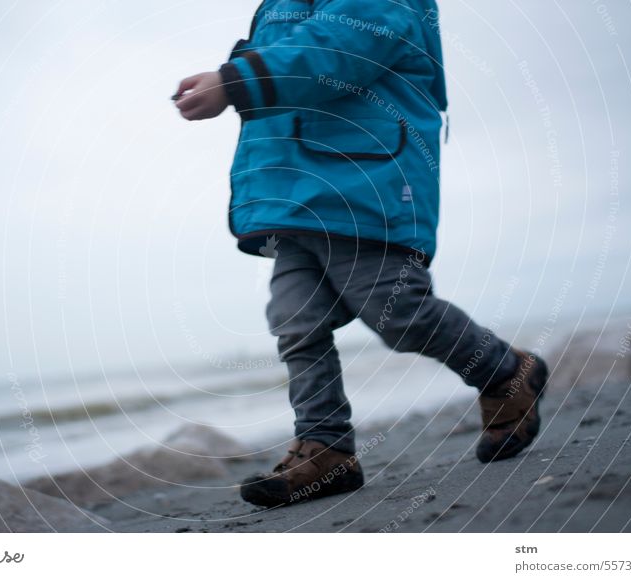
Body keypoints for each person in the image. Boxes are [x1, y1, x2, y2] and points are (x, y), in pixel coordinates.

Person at [173, 0, 549, 508]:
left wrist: (233, 81)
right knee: (295, 322)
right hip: (294, 198)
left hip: (362, 184)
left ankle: (505, 371)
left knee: (398, 312)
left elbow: (333, 52)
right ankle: (325, 448)